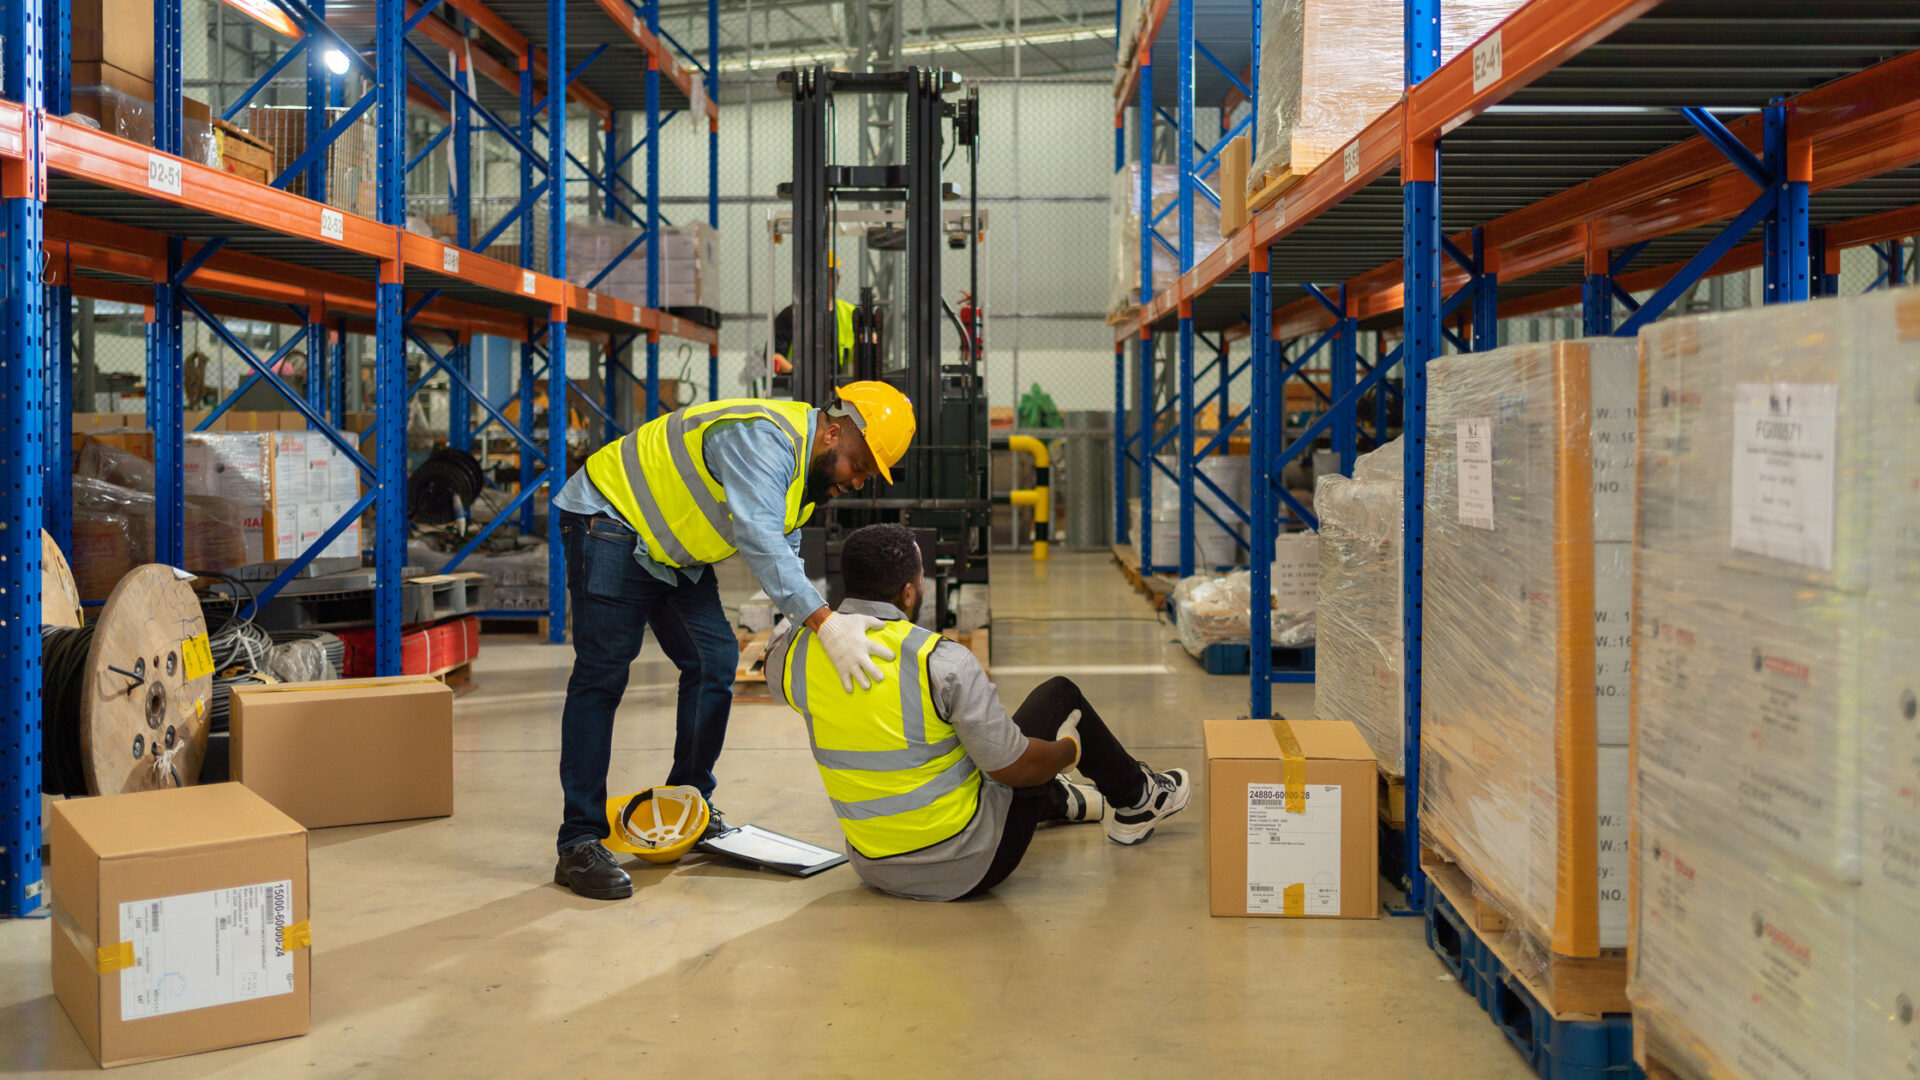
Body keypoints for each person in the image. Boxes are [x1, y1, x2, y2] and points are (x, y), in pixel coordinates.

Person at [549, 384, 917, 900]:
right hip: (611, 521)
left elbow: (784, 540)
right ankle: (579, 841)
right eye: (859, 464)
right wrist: (823, 621)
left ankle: (689, 804)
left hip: (671, 550)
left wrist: (792, 622)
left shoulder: (801, 476)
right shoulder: (763, 437)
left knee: (714, 659)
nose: (858, 481)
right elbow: (759, 537)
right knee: (603, 674)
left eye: (868, 474)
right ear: (833, 432)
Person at [764, 523, 1192, 901]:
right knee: (1058, 699)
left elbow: (777, 657)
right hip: (965, 867)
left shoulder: (795, 656)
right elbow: (1014, 771)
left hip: (874, 864)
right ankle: (1138, 800)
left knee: (950, 737)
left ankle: (1065, 800)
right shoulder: (939, 660)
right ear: (910, 592)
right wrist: (1068, 751)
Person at [771, 251, 856, 373]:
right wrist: (796, 375)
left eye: (829, 275)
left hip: (843, 387)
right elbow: (773, 356)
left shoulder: (852, 314)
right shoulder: (791, 315)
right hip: (800, 388)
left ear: (837, 279)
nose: (823, 281)